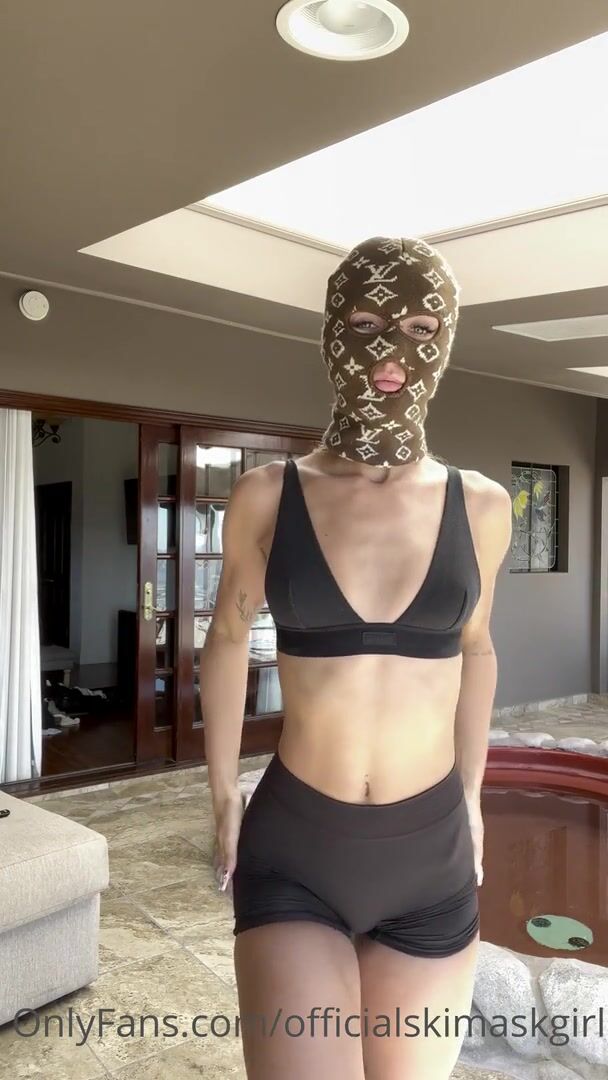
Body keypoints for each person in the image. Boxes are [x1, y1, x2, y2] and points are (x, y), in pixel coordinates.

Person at [200, 236, 512, 1080]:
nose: (392, 351)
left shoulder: (482, 505)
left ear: (444, 341)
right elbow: (226, 638)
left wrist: (474, 796)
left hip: (431, 856)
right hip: (297, 852)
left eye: (419, 328)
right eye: (368, 324)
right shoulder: (269, 493)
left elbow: (477, 648)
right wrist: (223, 793)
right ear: (333, 334)